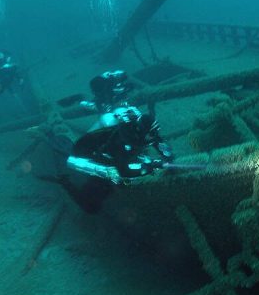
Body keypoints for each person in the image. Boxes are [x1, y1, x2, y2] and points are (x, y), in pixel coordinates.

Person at [47, 70, 173, 213]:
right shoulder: (121, 139)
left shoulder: (146, 130)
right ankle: (65, 181)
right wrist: (148, 168)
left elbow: (159, 142)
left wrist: (168, 158)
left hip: (115, 148)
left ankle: (81, 99)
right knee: (91, 207)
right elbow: (123, 170)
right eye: (151, 135)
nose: (153, 138)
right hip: (93, 153)